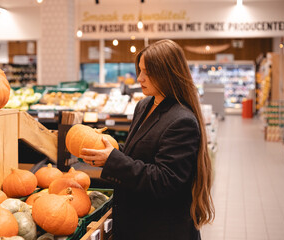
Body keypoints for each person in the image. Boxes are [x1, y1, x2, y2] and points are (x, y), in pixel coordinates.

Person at [80, 39, 215, 240]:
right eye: (140, 70)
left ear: (167, 73)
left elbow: (165, 180)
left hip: (161, 228)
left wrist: (114, 160)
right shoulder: (144, 105)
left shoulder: (182, 120)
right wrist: (109, 150)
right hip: (135, 221)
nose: (140, 78)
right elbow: (141, 152)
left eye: (148, 72)